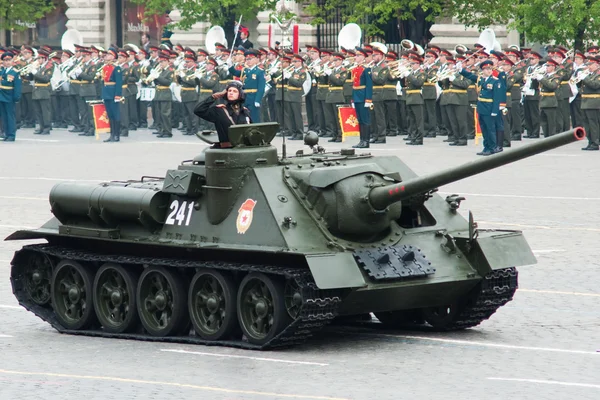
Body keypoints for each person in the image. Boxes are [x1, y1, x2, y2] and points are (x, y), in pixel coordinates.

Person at [459, 60, 503, 155]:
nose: (488, 71)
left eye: (490, 69)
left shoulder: (495, 81)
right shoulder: (481, 79)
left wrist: (495, 110)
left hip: (490, 108)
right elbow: (470, 76)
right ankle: (486, 147)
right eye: (486, 69)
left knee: (490, 129)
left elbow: (497, 97)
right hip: (481, 107)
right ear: (482, 70)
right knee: (484, 129)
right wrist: (461, 70)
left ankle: (492, 147)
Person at [194, 80, 251, 148]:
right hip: (226, 150)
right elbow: (198, 110)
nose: (231, 93)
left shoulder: (245, 112)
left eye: (234, 91)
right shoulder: (220, 111)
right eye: (229, 91)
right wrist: (214, 97)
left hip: (244, 149)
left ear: (240, 94)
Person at [101, 48, 123, 143]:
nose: (107, 56)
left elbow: (118, 83)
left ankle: (117, 134)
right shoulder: (105, 67)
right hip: (107, 93)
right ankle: (111, 134)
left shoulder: (116, 68)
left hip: (113, 92)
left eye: (109, 55)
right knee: (110, 115)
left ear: (113, 57)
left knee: (116, 114)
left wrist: (118, 95)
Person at [0, 52, 22, 142]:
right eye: (5, 60)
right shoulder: (2, 71)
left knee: (10, 116)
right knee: (4, 116)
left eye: (9, 60)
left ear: (12, 61)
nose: (7, 62)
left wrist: (16, 97)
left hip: (10, 96)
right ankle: (6, 133)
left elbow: (17, 86)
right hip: (1, 96)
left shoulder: (15, 72)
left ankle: (12, 134)